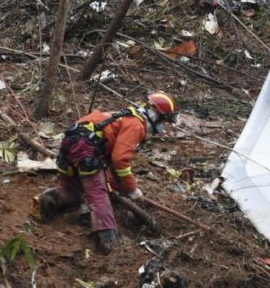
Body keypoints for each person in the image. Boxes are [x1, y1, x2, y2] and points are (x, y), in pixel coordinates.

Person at [32, 92, 180, 252]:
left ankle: (46, 201)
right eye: (163, 120)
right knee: (98, 195)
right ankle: (108, 244)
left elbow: (110, 162)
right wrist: (132, 189)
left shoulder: (124, 116)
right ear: (155, 114)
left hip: (72, 143)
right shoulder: (136, 124)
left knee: (73, 190)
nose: (162, 126)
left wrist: (117, 187)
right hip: (85, 149)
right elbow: (120, 160)